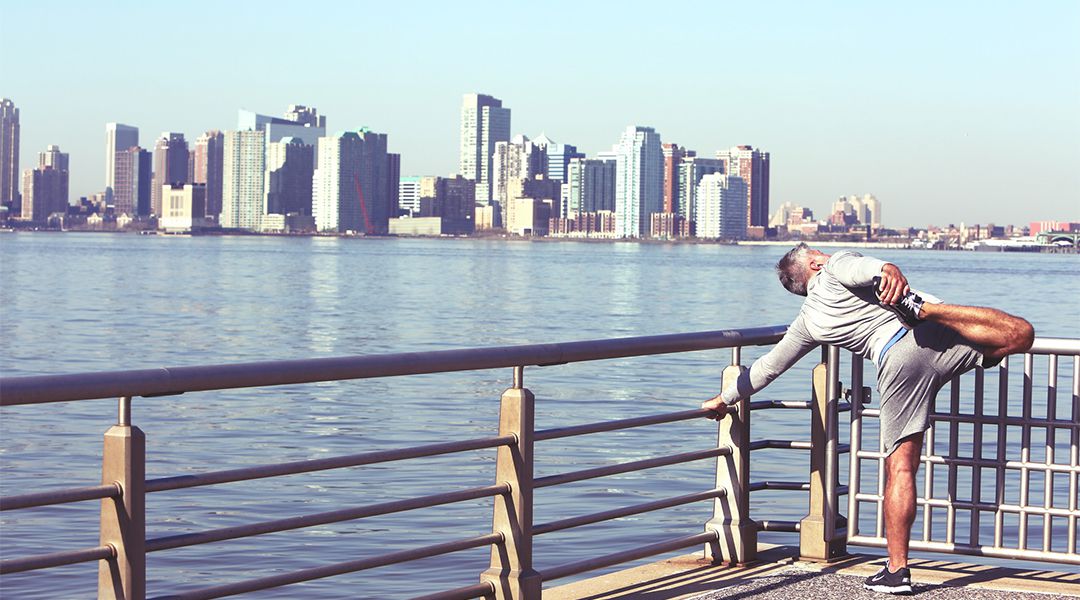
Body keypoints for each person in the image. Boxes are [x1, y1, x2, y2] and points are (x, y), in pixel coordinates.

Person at [700, 243, 1033, 595]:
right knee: (1020, 335)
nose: (825, 255)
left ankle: (897, 571)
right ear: (814, 263)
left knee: (901, 468)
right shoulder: (836, 264)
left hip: (898, 362)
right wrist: (887, 269)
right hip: (934, 336)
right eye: (818, 253)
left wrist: (724, 398)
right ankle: (931, 312)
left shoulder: (808, 323)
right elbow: (865, 269)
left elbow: (767, 368)